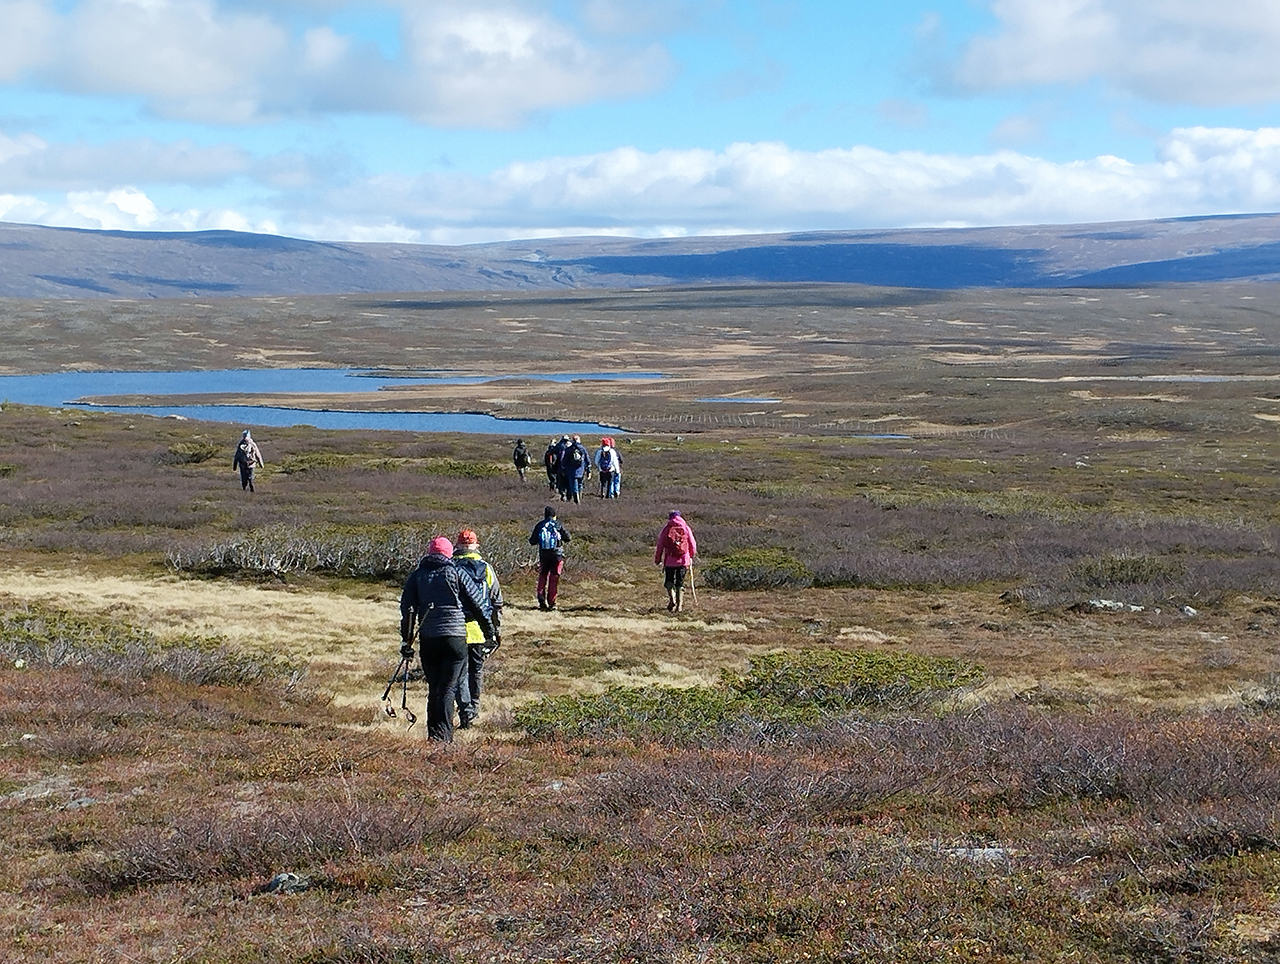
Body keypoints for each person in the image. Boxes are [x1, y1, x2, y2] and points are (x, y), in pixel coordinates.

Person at [399, 536, 495, 743]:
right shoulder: (457, 573)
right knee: (448, 687)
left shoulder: (416, 577)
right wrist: (490, 633)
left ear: (429, 553)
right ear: (449, 554)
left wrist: (406, 642)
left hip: (429, 639)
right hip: (455, 639)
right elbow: (478, 604)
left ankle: (434, 736)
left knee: (434, 687)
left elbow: (408, 611)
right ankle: (444, 738)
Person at [452, 529, 503, 728]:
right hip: (479, 630)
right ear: (476, 546)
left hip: (456, 630)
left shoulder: (450, 568)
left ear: (458, 547)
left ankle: (465, 712)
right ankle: (474, 707)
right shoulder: (487, 569)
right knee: (476, 671)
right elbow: (496, 601)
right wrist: (495, 630)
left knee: (459, 673)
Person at [655, 510, 697, 613]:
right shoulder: (686, 528)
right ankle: (679, 606)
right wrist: (691, 555)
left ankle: (672, 600)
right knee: (680, 583)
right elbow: (692, 543)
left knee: (669, 581)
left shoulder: (667, 529)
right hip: (683, 560)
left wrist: (658, 558)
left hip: (669, 561)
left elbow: (660, 545)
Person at [529, 506, 570, 611]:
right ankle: (552, 602)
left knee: (543, 576)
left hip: (544, 555)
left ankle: (541, 598)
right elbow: (568, 538)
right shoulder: (558, 524)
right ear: (554, 515)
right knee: (554, 577)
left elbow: (532, 541)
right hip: (557, 555)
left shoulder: (540, 525)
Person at [557, 434, 590, 503]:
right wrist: (588, 470)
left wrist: (563, 469)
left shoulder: (569, 449)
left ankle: (576, 500)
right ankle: (579, 497)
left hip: (571, 471)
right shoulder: (583, 449)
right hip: (581, 470)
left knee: (573, 486)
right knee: (580, 484)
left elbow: (564, 461)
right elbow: (587, 460)